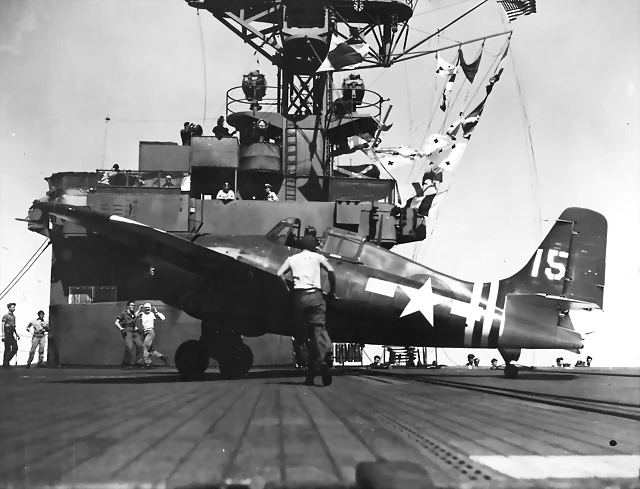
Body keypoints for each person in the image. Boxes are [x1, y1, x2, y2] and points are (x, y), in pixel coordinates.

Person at [277, 235, 336, 386]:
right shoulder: (318, 257)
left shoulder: (292, 259)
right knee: (319, 332)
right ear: (313, 246)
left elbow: (279, 274)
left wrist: (287, 291)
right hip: (316, 297)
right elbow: (331, 271)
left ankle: (309, 376)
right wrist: (331, 290)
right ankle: (323, 362)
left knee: (303, 337)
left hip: (299, 298)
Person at [114, 301, 144, 369]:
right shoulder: (124, 314)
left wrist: (137, 329)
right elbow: (116, 322)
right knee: (129, 347)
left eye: (133, 305)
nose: (133, 306)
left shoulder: (133, 314)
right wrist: (121, 328)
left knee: (140, 345)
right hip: (127, 331)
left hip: (134, 332)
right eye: (131, 305)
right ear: (127, 306)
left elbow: (134, 319)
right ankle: (126, 362)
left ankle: (138, 363)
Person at [138, 303, 168, 367]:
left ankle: (148, 363)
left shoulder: (152, 314)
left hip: (150, 332)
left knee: (144, 347)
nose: (147, 309)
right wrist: (139, 309)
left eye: (148, 308)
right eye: (146, 308)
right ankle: (162, 357)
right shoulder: (142, 314)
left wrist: (156, 312)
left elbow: (163, 318)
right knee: (150, 350)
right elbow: (134, 317)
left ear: (150, 308)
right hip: (144, 332)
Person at [2, 303, 20, 368]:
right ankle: (5, 364)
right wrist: (3, 335)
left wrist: (17, 334)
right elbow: (3, 325)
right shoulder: (6, 316)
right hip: (7, 333)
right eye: (13, 307)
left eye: (14, 307)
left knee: (15, 348)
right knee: (7, 349)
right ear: (9, 308)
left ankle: (6, 361)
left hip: (11, 334)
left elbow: (13, 327)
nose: (14, 308)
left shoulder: (13, 317)